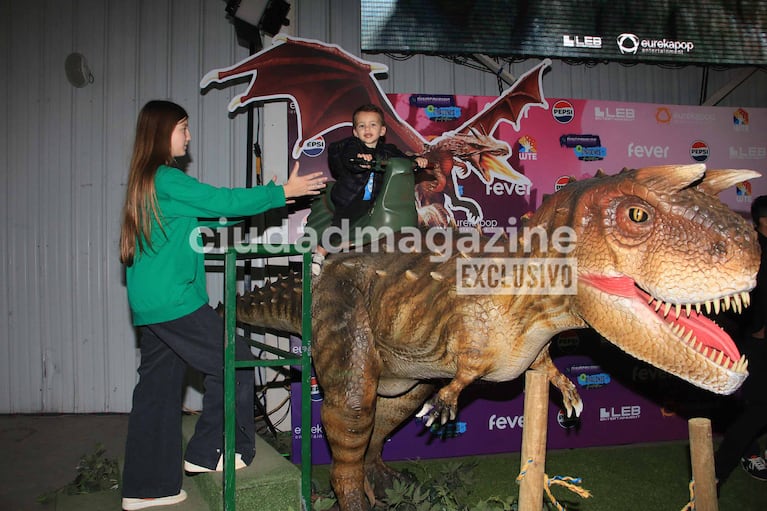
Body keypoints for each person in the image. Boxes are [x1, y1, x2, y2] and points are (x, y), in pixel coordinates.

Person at [118, 100, 326, 510]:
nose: (189, 136)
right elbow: (222, 201)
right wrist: (282, 191)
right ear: (162, 132)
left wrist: (260, 203)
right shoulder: (166, 178)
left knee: (157, 392)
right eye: (183, 128)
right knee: (237, 361)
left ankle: (146, 487)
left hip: (152, 303)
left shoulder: (148, 181)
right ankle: (211, 454)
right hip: (174, 301)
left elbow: (215, 216)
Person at [312, 104, 427, 270]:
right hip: (351, 197)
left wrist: (417, 160)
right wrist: (359, 159)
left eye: (373, 124)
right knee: (341, 223)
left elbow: (403, 159)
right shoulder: (352, 145)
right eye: (362, 125)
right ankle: (319, 254)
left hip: (375, 199)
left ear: (382, 131)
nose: (367, 128)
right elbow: (348, 157)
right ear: (355, 132)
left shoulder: (388, 150)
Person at [714, 195, 767, 488]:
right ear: (763, 221)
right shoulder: (754, 252)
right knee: (757, 409)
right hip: (754, 342)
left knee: (755, 408)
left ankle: (747, 451)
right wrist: (756, 327)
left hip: (752, 338)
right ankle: (715, 472)